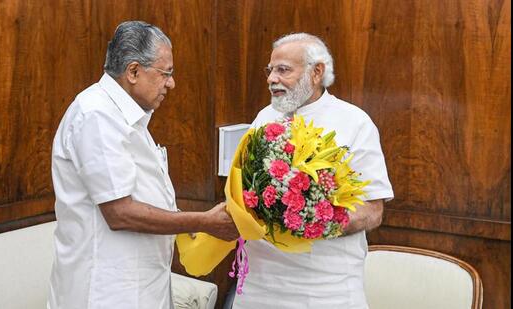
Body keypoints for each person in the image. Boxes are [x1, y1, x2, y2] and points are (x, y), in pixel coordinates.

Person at [48, 21, 238, 309]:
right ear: (133, 71)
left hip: (141, 287)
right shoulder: (96, 115)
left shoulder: (127, 116)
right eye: (166, 73)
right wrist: (203, 222)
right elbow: (120, 213)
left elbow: (144, 195)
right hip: (105, 292)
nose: (171, 83)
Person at [231, 33, 394, 308]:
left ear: (316, 72)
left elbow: (373, 210)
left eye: (283, 70)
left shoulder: (355, 122)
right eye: (270, 70)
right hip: (260, 287)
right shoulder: (263, 118)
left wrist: (314, 221)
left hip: (325, 291)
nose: (272, 79)